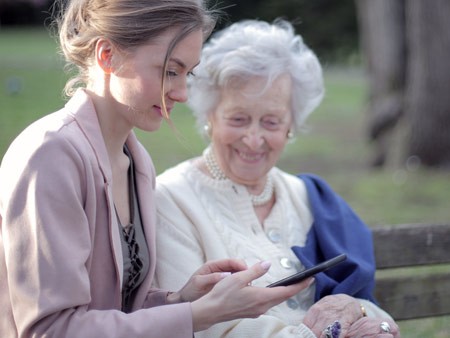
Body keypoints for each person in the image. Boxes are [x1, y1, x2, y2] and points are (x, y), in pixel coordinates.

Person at [0, 3, 312, 337]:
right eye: (169, 71)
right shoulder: (51, 156)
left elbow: (116, 309)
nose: (181, 93)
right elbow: (52, 329)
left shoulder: (137, 161)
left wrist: (181, 298)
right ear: (107, 55)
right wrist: (195, 316)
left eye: (188, 73)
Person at [154, 19, 401, 338]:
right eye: (238, 119)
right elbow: (199, 327)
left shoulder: (308, 197)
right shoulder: (171, 200)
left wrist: (364, 315)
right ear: (210, 117)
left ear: (290, 126)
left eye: (271, 122)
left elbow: (367, 306)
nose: (254, 139)